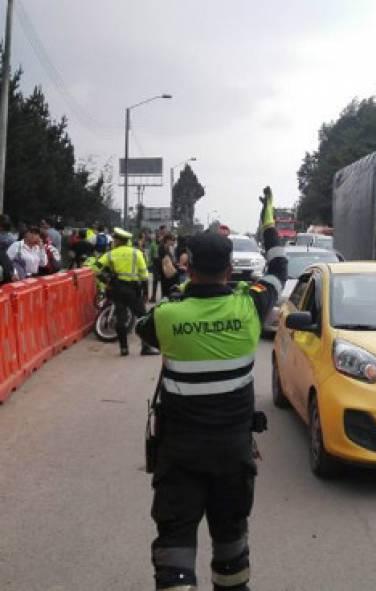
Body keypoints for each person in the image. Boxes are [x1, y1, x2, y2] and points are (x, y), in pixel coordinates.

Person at [136, 188, 287, 591]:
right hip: (232, 453)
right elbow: (279, 264)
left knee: (174, 545)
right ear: (229, 267)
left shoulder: (168, 315)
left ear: (187, 265)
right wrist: (268, 219)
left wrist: (177, 291)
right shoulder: (249, 307)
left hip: (180, 454)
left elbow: (141, 328)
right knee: (231, 541)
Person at [93, 227, 155, 356]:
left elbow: (94, 268)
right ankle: (145, 347)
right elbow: (144, 275)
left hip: (117, 289)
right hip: (133, 289)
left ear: (118, 241)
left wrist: (106, 281)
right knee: (143, 317)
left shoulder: (111, 253)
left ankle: (124, 349)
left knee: (120, 318)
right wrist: (145, 292)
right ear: (127, 241)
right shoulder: (136, 253)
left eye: (115, 239)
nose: (113, 241)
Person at [158, 234, 180, 298]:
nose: (172, 242)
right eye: (171, 240)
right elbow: (164, 260)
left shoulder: (168, 248)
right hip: (165, 272)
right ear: (167, 240)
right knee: (165, 288)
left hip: (168, 272)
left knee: (168, 288)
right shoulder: (162, 247)